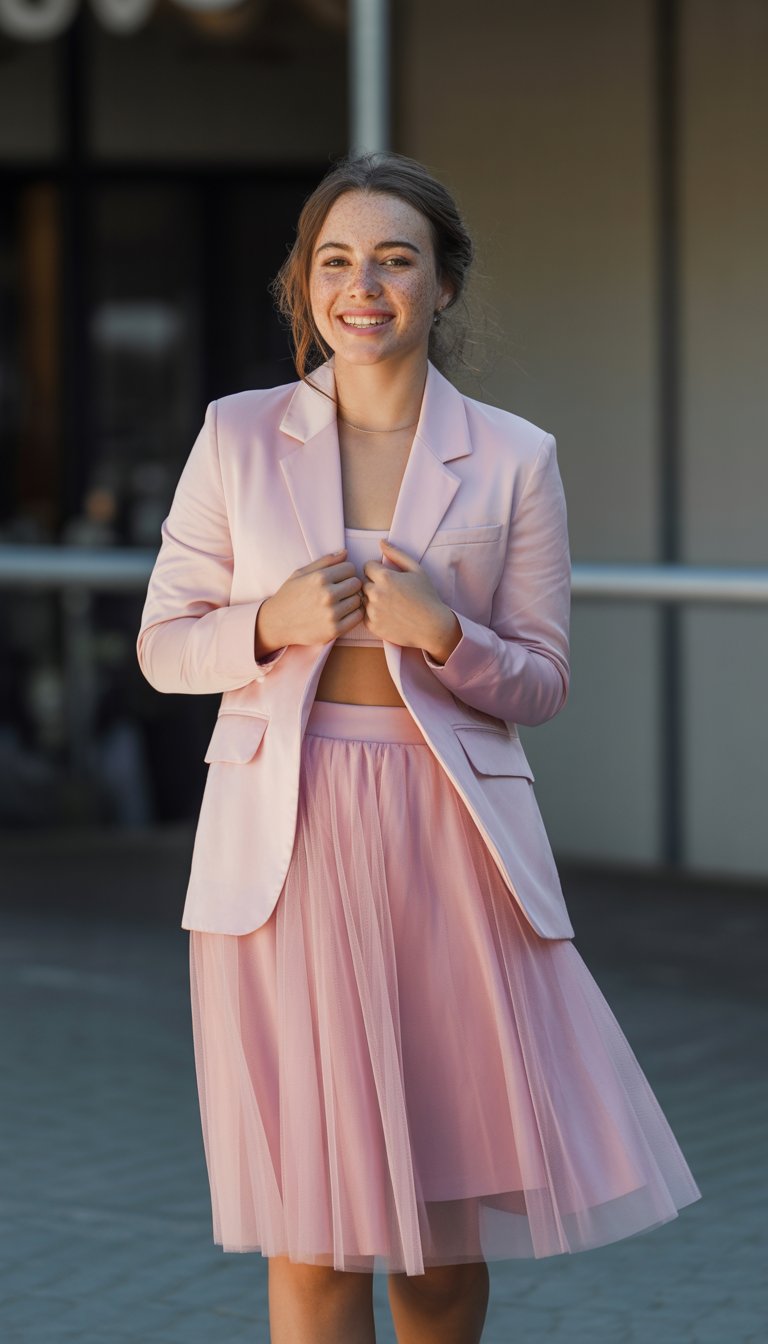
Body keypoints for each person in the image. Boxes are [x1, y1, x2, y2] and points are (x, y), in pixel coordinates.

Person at [136, 151, 701, 1344]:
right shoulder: (236, 437)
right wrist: (271, 623)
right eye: (335, 261)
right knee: (312, 1250)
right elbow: (163, 646)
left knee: (440, 1260)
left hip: (449, 853)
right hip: (279, 856)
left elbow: (542, 681)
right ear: (305, 287)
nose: (364, 285)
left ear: (443, 285)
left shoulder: (513, 457)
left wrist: (446, 634)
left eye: (396, 259)